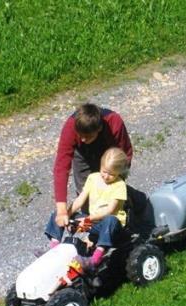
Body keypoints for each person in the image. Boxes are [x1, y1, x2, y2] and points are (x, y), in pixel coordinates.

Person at [38, 103, 132, 255]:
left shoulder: (114, 122)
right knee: (87, 197)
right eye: (79, 135)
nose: (81, 139)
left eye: (87, 136)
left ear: (99, 129)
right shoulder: (71, 127)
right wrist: (63, 211)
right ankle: (56, 250)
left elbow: (124, 154)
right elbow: (61, 167)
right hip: (82, 155)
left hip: (111, 154)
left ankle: (100, 239)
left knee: (110, 195)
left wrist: (115, 182)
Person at [54, 147, 129, 272]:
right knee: (59, 215)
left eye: (111, 174)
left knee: (110, 220)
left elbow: (109, 211)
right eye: (104, 171)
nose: (106, 176)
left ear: (119, 172)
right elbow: (80, 199)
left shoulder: (119, 185)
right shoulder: (93, 178)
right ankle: (54, 248)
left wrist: (88, 219)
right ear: (100, 164)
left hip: (110, 226)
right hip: (92, 223)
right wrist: (67, 213)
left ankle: (95, 259)